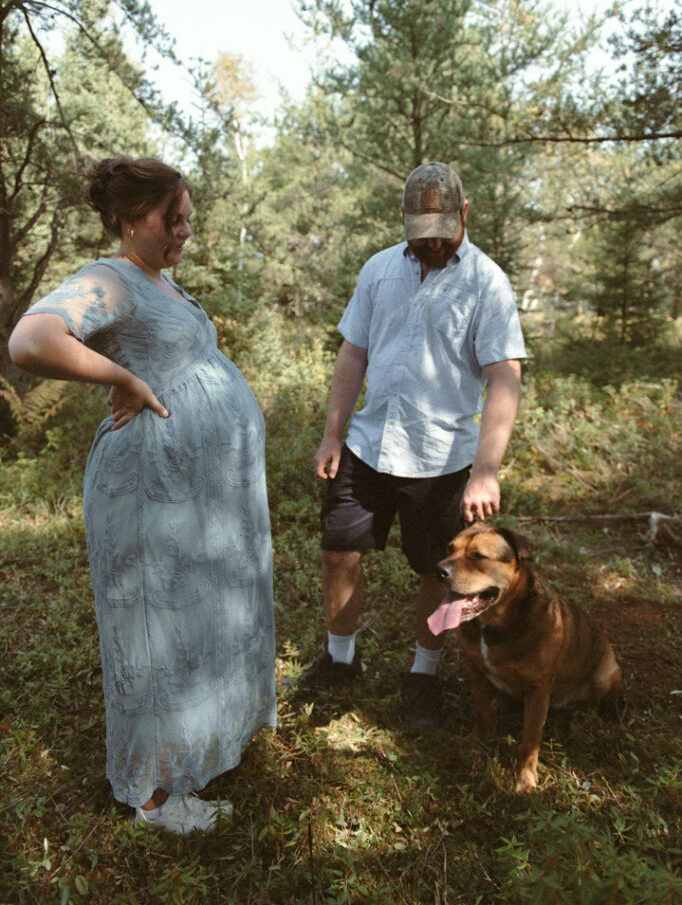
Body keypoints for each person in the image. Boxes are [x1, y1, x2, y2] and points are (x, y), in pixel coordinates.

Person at [8, 157, 276, 833]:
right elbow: (31, 339)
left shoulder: (161, 280)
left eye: (188, 217)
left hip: (193, 497)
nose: (186, 229)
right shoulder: (111, 277)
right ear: (132, 219)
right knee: (155, 635)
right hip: (150, 491)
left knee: (196, 622)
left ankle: (194, 755)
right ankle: (153, 799)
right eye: (172, 218)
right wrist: (122, 382)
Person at [301, 162, 526, 730]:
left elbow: (505, 376)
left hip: (443, 459)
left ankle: (423, 674)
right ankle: (340, 659)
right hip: (369, 445)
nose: (429, 240)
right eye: (419, 227)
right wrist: (333, 433)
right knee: (337, 551)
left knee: (438, 572)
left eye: (441, 228)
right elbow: (353, 354)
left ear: (464, 214)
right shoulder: (379, 270)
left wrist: (486, 470)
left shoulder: (487, 283)